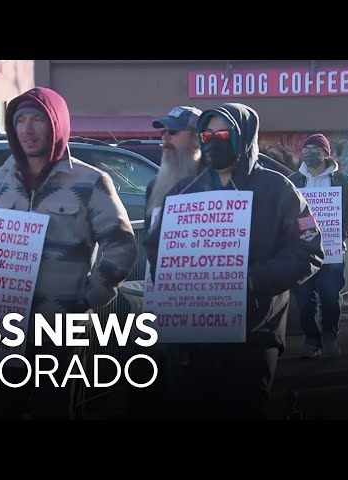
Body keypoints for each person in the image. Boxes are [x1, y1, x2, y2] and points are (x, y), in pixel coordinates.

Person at [0, 86, 137, 419]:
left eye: (37, 119)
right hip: (0, 326)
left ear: (56, 123)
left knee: (53, 412)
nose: (27, 129)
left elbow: (121, 245)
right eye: (20, 120)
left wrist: (86, 299)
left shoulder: (90, 181)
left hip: (59, 329)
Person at [144, 102, 324, 419]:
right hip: (195, 334)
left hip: (254, 333)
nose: (214, 140)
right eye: (207, 133)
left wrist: (254, 280)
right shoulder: (183, 192)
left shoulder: (278, 189)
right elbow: (158, 250)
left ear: (243, 136)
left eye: (223, 133)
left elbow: (310, 250)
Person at [129, 105, 202, 419]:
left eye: (173, 132)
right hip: (154, 311)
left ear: (199, 138)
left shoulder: (214, 185)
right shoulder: (153, 186)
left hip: (198, 321)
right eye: (162, 132)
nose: (164, 139)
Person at [288, 133, 348, 358]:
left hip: (332, 250)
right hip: (302, 251)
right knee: (304, 299)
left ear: (326, 154)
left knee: (331, 295)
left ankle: (330, 335)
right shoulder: (295, 180)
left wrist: (343, 231)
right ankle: (311, 340)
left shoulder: (342, 180)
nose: (309, 154)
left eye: (315, 149)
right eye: (306, 149)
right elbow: (286, 212)